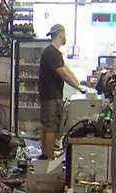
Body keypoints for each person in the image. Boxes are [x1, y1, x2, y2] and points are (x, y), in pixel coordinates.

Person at [38, 23, 88, 160]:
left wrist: (80, 85)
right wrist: (79, 88)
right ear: (60, 34)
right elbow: (63, 74)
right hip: (51, 96)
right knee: (51, 128)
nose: (65, 37)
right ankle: (49, 159)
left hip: (48, 95)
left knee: (45, 125)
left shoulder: (54, 53)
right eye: (64, 35)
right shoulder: (51, 53)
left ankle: (45, 155)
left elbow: (67, 70)